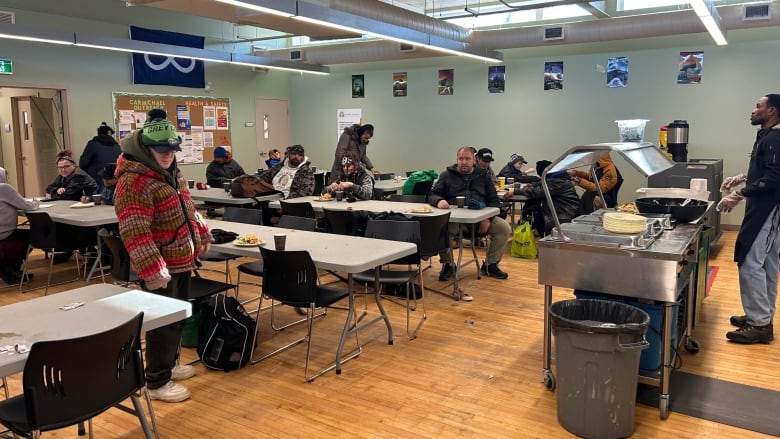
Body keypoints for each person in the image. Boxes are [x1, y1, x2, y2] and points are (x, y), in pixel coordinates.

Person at [114, 108, 211, 402]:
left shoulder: (172, 173)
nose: (168, 154)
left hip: (181, 259)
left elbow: (188, 207)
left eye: (171, 149)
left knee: (178, 318)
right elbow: (135, 231)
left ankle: (168, 365)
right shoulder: (134, 182)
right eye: (161, 150)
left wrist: (202, 230)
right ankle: (156, 382)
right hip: (161, 266)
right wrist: (153, 270)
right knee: (162, 325)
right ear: (145, 148)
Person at [718, 94, 780, 344]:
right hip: (763, 207)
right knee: (766, 264)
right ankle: (760, 315)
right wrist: (742, 177)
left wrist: (738, 195)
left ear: (772, 111)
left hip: (768, 209)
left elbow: (775, 177)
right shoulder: (767, 135)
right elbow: (765, 168)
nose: (754, 110)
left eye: (758, 106)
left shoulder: (776, 137)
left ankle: (760, 324)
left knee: (750, 261)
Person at [429, 147, 513, 300]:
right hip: (455, 220)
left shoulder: (484, 176)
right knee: (442, 231)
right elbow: (432, 194)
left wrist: (487, 218)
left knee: (504, 229)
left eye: (467, 159)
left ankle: (490, 265)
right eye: (461, 159)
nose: (464, 162)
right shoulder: (446, 176)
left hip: (481, 220)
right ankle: (448, 264)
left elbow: (494, 201)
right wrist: (439, 200)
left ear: (474, 160)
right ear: (457, 160)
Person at [504, 160, 582, 236]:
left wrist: (515, 191)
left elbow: (538, 192)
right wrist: (534, 184)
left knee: (535, 211)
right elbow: (545, 182)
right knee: (535, 208)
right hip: (567, 210)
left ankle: (545, 236)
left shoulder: (557, 181)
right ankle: (539, 230)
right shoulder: (559, 176)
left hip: (564, 213)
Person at [0, 167, 38, 285]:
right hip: (3, 233)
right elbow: (26, 206)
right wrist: (35, 203)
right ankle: (10, 270)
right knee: (33, 237)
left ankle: (9, 270)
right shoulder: (4, 188)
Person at [79, 122, 120, 192]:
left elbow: (83, 164)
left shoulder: (92, 145)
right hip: (115, 182)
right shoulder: (117, 146)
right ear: (109, 133)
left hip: (95, 181)